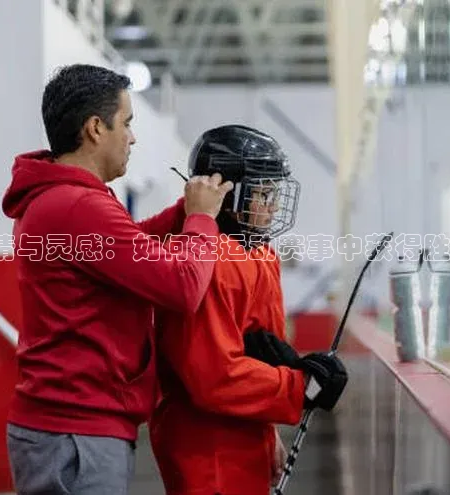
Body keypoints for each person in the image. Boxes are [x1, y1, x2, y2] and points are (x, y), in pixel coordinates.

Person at [0, 63, 233, 495]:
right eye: (126, 122)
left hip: (66, 430)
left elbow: (125, 247)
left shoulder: (58, 199)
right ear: (95, 128)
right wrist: (201, 220)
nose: (132, 136)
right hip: (76, 436)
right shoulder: (77, 207)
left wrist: (182, 212)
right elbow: (183, 288)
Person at [148, 124, 349, 495]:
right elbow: (213, 378)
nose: (273, 206)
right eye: (264, 193)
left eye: (275, 192)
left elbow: (259, 352)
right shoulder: (207, 261)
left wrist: (268, 427)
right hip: (208, 448)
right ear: (228, 195)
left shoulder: (261, 255)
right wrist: (298, 387)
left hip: (245, 437)